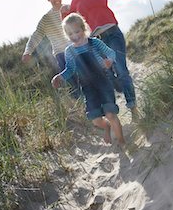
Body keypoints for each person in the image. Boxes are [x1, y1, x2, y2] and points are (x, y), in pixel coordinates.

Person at [61, 0, 141, 119]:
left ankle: (133, 107)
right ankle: (123, 90)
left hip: (113, 33)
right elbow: (70, 25)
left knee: (121, 70)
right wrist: (64, 12)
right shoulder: (75, 1)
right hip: (96, 41)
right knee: (109, 76)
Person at [51, 13, 125, 145]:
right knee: (96, 119)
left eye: (77, 31)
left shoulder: (94, 42)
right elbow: (70, 69)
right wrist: (60, 77)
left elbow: (111, 53)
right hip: (88, 87)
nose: (74, 36)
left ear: (83, 28)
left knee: (110, 114)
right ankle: (106, 126)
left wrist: (109, 60)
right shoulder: (69, 51)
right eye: (70, 34)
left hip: (103, 81)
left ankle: (122, 142)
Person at [22, 0, 80, 97]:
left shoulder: (70, 9)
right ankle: (84, 107)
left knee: (85, 76)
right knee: (72, 82)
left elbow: (84, 23)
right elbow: (36, 35)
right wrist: (27, 51)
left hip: (76, 48)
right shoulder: (46, 19)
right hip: (61, 54)